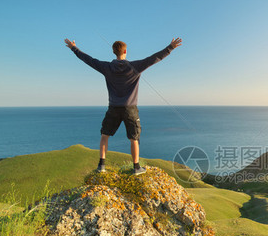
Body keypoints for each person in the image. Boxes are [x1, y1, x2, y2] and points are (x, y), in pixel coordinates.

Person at [64, 37, 183, 175]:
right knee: (134, 138)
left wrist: (74, 48)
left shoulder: (107, 67)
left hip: (113, 107)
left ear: (113, 51)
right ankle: (136, 167)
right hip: (130, 108)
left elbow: (88, 60)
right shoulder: (135, 67)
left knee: (105, 135)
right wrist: (171, 47)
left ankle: (101, 166)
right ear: (125, 51)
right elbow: (154, 58)